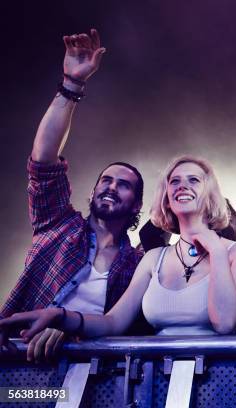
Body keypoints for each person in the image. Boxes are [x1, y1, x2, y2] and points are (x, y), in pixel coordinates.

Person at [0, 29, 149, 362]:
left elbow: (122, 326)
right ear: (94, 190)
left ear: (137, 203)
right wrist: (72, 86)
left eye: (123, 184)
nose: (111, 186)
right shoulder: (58, 224)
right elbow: (43, 162)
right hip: (17, 364)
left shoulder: (138, 264)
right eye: (106, 180)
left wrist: (69, 326)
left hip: (92, 375)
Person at [0, 156, 236, 343]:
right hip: (156, 379)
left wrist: (214, 247)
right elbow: (113, 323)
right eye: (175, 181)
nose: (182, 185)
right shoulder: (152, 259)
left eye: (194, 180)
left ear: (211, 194)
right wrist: (58, 316)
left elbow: (224, 324)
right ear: (166, 196)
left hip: (221, 378)